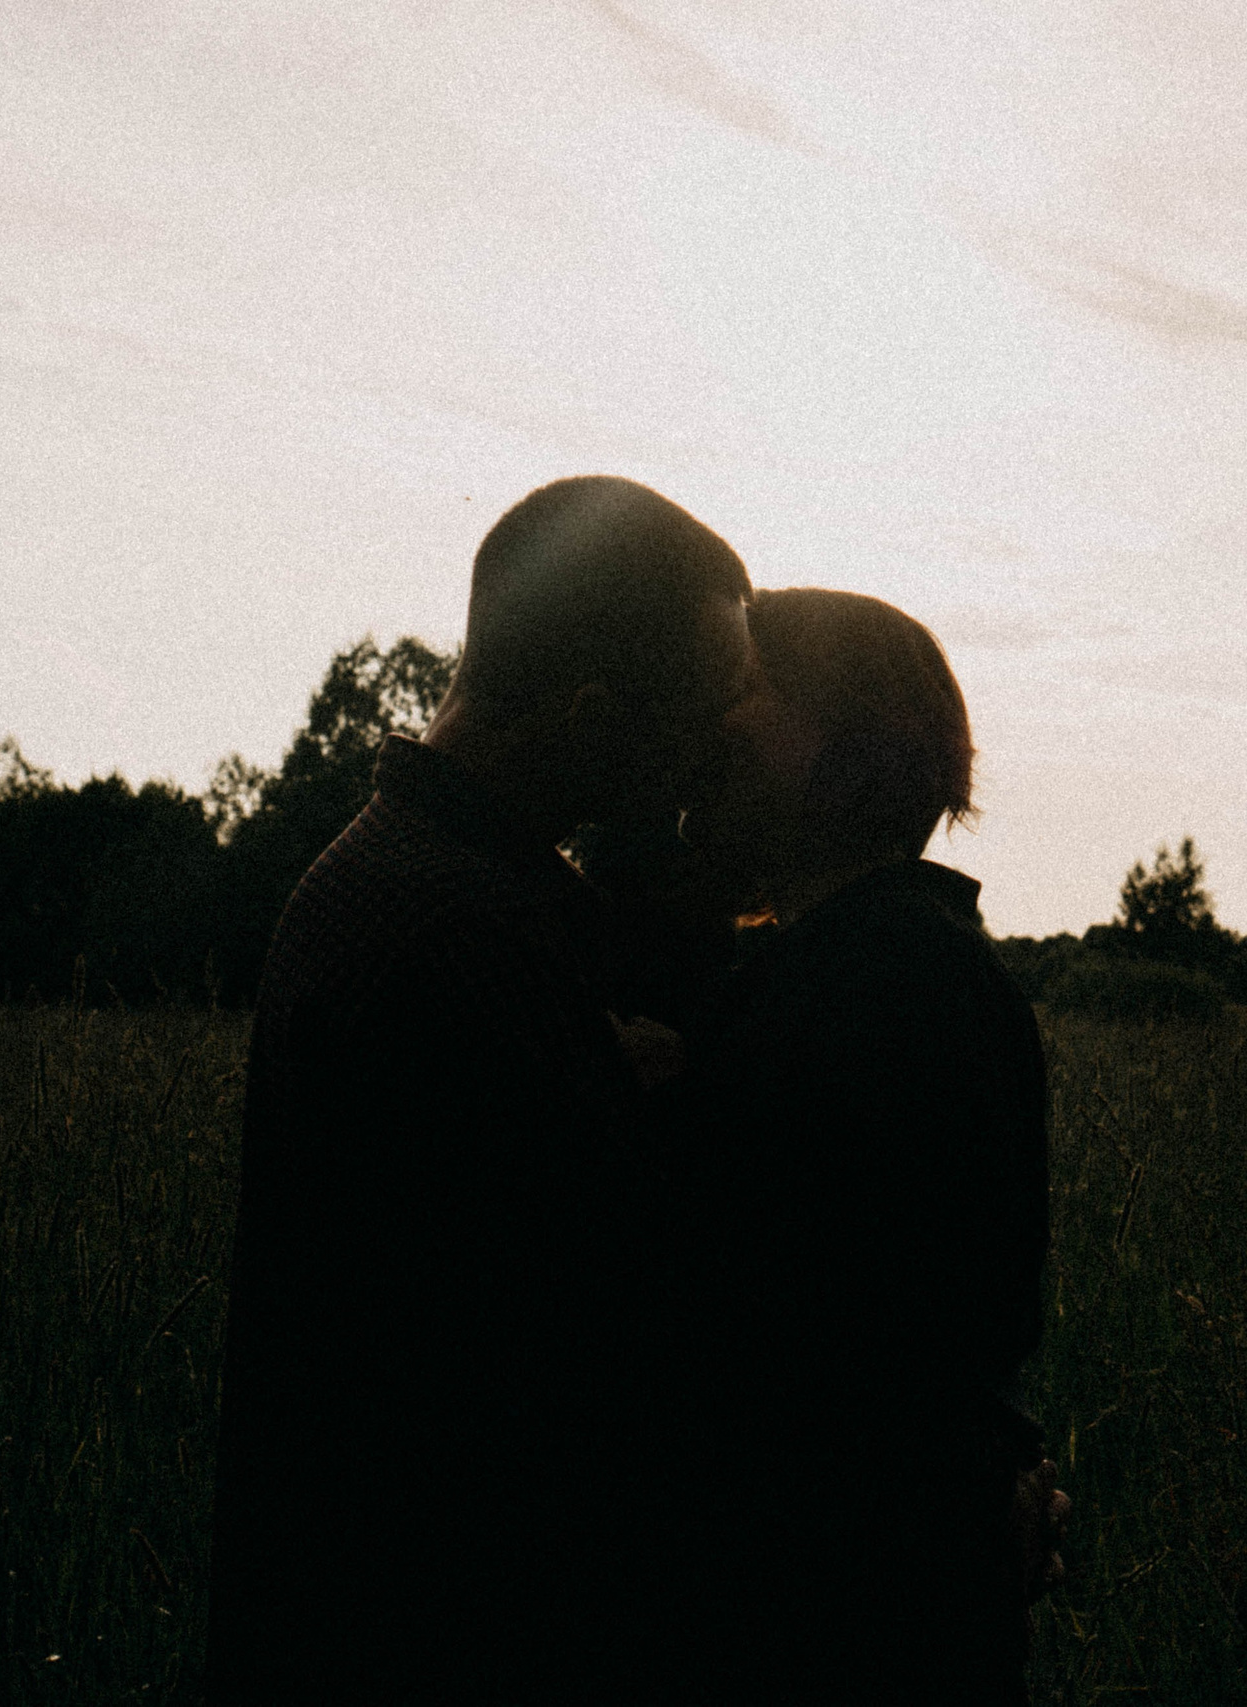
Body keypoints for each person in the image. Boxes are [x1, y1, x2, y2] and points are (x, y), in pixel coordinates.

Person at [203, 476, 754, 1703]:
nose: (720, 751)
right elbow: (608, 1344)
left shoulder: (394, 875)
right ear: (593, 715)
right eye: (705, 720)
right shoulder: (466, 936)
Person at [652, 587, 1065, 1704]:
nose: (707, 721)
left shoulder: (885, 980)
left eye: (741, 692)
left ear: (843, 739)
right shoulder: (869, 959)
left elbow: (845, 1345)